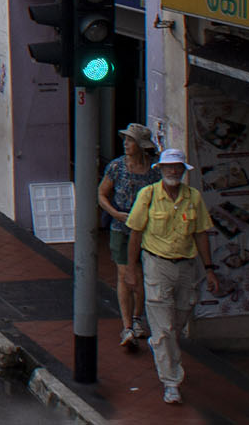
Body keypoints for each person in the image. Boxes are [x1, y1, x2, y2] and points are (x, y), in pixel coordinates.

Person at [126, 147, 223, 406]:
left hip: (186, 267)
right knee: (165, 329)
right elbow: (135, 233)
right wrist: (131, 270)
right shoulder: (148, 195)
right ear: (160, 170)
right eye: (168, 167)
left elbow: (201, 233)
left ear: (182, 171)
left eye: (177, 167)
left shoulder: (193, 197)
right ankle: (171, 382)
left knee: (178, 321)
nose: (172, 171)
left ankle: (160, 344)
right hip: (157, 265)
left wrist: (210, 268)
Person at [98, 123, 160, 350]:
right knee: (125, 273)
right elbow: (102, 194)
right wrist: (114, 212)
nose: (126, 144)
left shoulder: (154, 170)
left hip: (147, 230)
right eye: (125, 140)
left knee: (142, 274)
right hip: (121, 228)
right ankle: (126, 325)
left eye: (130, 140)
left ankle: (137, 318)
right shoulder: (116, 167)